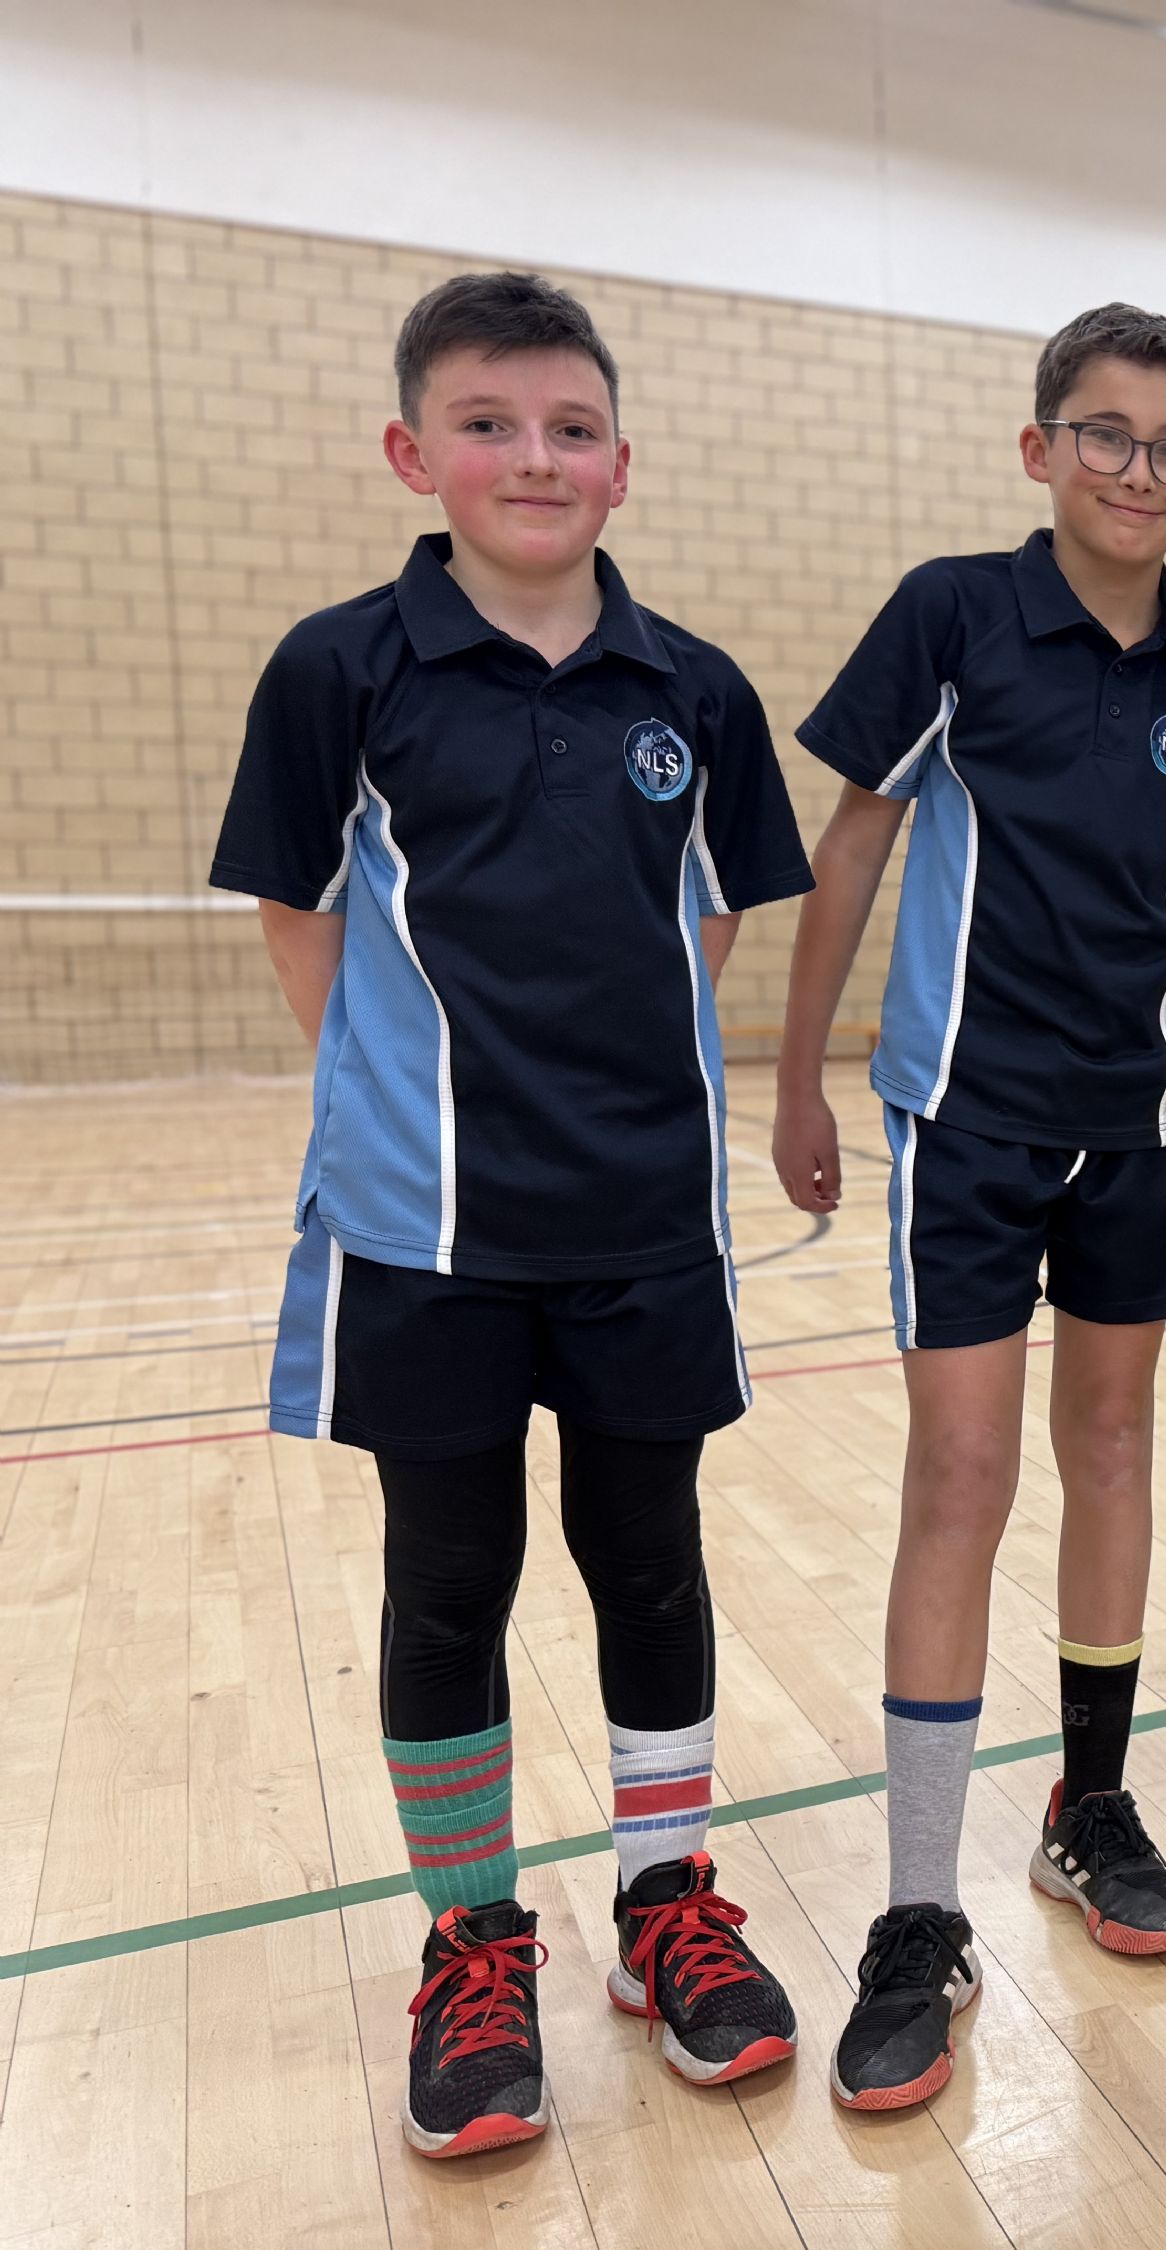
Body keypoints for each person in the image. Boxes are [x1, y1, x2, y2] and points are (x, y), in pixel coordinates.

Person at [211, 271, 814, 2156]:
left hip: (643, 1224)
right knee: (448, 1581)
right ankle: (476, 1942)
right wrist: (408, 1095)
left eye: (568, 428)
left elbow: (706, 923)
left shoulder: (695, 690)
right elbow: (302, 919)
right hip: (426, 1233)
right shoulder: (340, 670)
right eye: (489, 423)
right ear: (416, 450)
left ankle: (664, 1902)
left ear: (621, 464)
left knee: (650, 1562)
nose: (531, 456)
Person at [775, 302, 1166, 2110]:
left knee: (1112, 1444)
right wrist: (793, 1072)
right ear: (1040, 450)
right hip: (967, 1123)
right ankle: (918, 1910)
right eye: (1104, 433)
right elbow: (852, 840)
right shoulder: (955, 615)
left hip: (1144, 1137)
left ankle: (1090, 1805)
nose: (1136, 468)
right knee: (961, 1470)